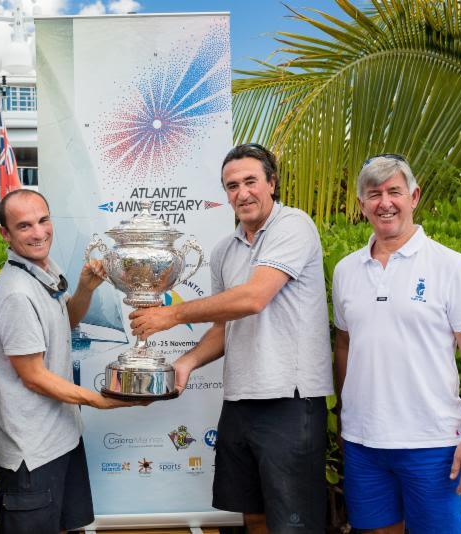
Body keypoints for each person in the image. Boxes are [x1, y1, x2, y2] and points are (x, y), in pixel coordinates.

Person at [130, 143, 333, 533]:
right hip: (240, 401)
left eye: (250, 181)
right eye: (232, 185)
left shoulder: (293, 225)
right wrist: (186, 363)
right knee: (250, 515)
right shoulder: (224, 250)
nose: (242, 193)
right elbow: (225, 326)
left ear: (272, 183)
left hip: (289, 401)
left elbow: (254, 298)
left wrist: (172, 314)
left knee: (294, 524)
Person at [331, 154, 461, 533]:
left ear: (414, 196)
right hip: (363, 442)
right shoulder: (345, 270)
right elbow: (344, 345)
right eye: (374, 194)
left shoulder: (451, 266)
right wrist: (343, 414)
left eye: (394, 192)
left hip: (432, 442)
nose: (384, 203)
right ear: (361, 205)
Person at [0, 189, 141, 534]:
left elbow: (63, 323)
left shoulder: (43, 271)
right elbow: (33, 376)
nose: (39, 233)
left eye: (43, 220)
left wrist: (85, 289)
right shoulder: (16, 294)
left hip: (62, 437)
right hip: (33, 452)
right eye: (24, 226)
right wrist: (99, 400)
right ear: (5, 234)